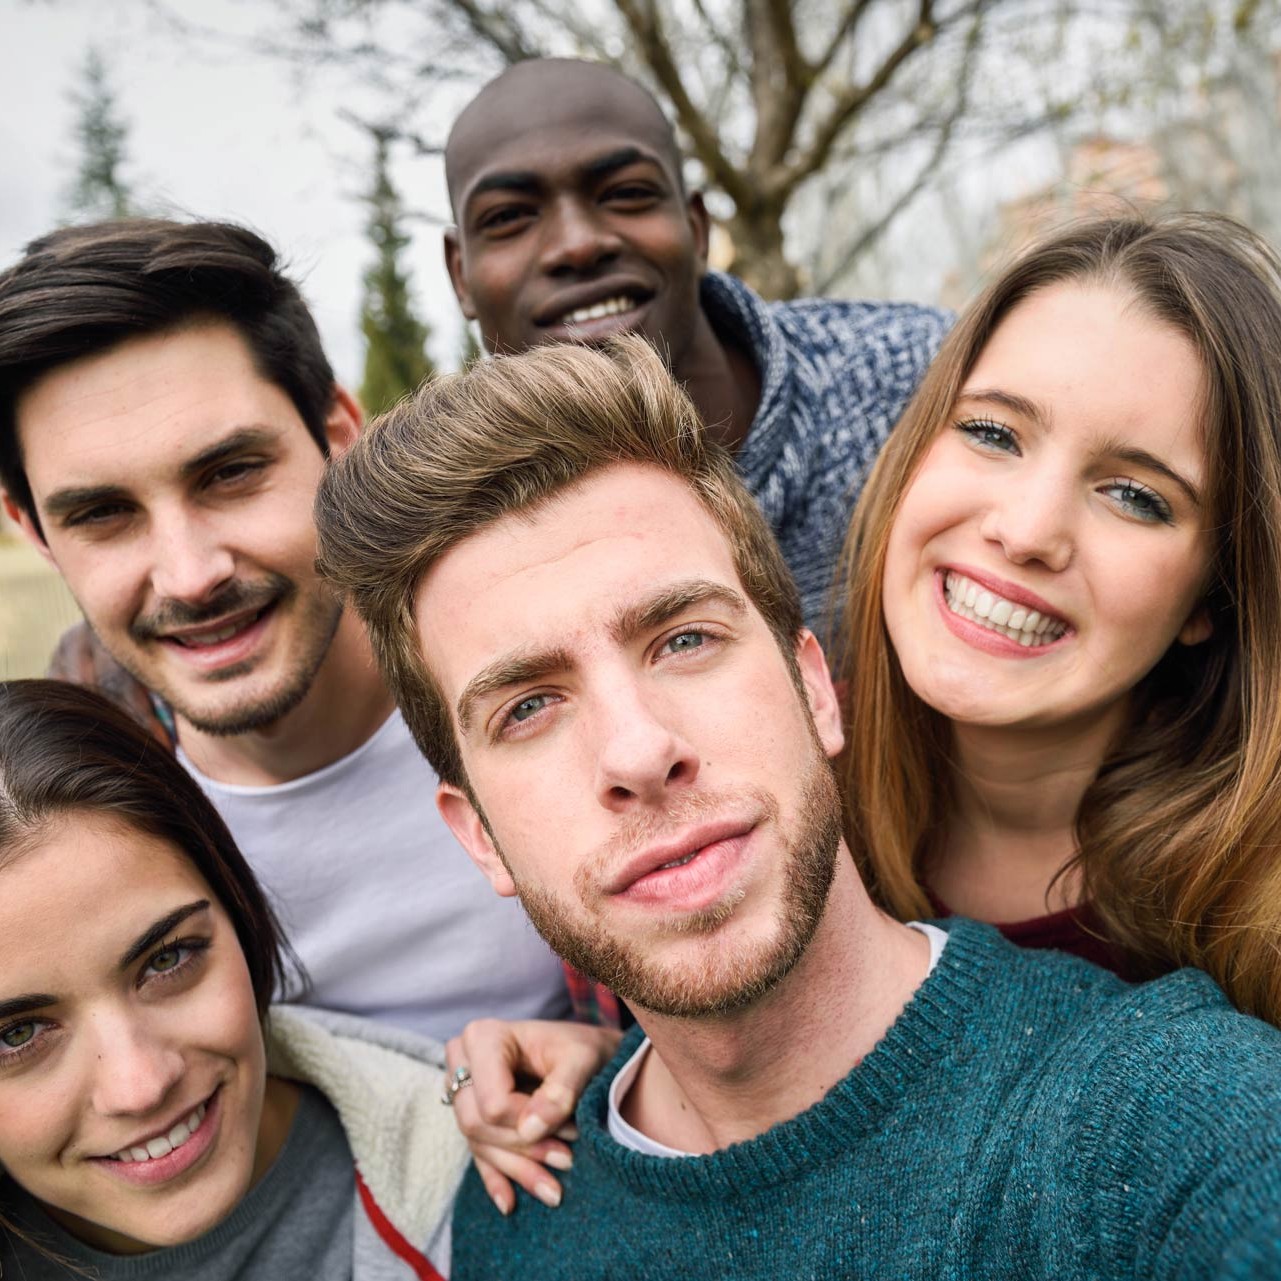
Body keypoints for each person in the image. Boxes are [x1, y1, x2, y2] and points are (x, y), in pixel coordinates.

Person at [314, 332, 1281, 1279]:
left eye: (684, 639)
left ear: (815, 689)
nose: (640, 750)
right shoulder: (508, 1220)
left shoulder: (1149, 1112)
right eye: (528, 706)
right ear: (477, 833)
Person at [0, 219, 569, 1042]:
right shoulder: (50, 808)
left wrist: (624, 1069)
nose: (191, 574)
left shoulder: (552, 664)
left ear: (338, 438)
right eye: (103, 514)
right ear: (35, 532)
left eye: (230, 473)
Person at [834, 211, 1281, 1022]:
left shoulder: (1255, 926)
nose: (1027, 530)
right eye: (991, 432)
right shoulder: (773, 795)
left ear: (1211, 600)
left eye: (1136, 497)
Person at [443, 57, 951, 634]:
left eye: (626, 193)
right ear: (461, 275)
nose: (578, 245)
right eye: (509, 217)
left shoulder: (921, 387)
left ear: (698, 228)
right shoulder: (455, 554)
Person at [0, 679, 469, 1279]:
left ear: (237, 911)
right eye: (17, 1034)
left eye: (167, 961)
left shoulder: (482, 1179)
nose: (140, 1086)